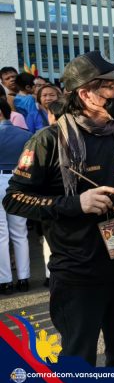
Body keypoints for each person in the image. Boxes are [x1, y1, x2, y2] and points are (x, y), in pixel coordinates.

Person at [2, 51, 114, 366]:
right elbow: (14, 198)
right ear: (86, 93)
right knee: (78, 359)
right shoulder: (48, 141)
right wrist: (76, 203)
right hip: (77, 272)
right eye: (111, 87)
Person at [0, 99, 33, 294]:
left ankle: (4, 280)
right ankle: (24, 278)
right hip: (19, 181)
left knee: (1, 233)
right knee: (20, 232)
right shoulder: (26, 135)